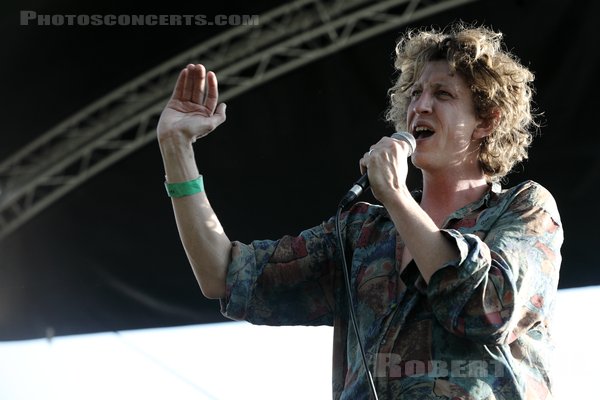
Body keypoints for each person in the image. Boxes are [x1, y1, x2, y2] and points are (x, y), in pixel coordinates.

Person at [157, 22, 563, 400]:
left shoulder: (524, 208)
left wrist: (396, 195)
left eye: (442, 94)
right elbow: (224, 275)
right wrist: (176, 151)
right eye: (416, 93)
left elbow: (486, 310)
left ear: (487, 121)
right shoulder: (363, 233)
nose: (420, 106)